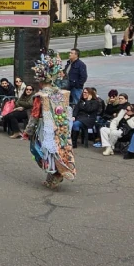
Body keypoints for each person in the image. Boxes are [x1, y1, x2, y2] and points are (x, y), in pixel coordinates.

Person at [24, 55, 76, 189]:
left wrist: (28, 131)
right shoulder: (62, 93)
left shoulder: (41, 96)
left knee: (38, 150)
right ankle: (53, 176)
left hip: (44, 128)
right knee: (58, 150)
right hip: (61, 127)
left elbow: (35, 115)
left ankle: (55, 174)